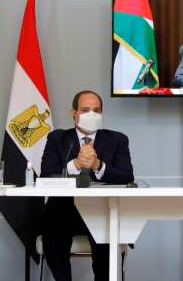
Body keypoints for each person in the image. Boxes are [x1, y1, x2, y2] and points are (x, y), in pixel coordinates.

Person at [40, 90, 134, 281]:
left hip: (101, 211)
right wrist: (75, 164)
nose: (91, 115)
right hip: (63, 213)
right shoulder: (57, 139)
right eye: (85, 110)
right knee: (54, 235)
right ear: (73, 113)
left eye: (96, 110)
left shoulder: (118, 140)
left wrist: (97, 165)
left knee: (105, 240)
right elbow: (45, 174)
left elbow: (127, 176)